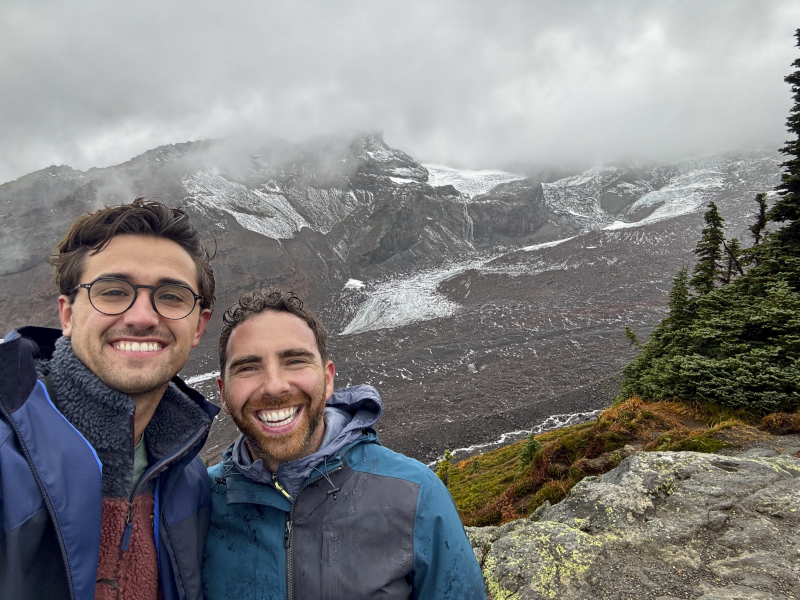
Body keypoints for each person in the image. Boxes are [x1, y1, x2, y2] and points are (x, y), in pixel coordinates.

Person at [202, 289, 487, 600]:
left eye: (295, 361)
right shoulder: (197, 501)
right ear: (223, 393)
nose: (274, 385)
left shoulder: (416, 496)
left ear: (328, 379)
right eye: (248, 367)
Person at [0, 198, 219, 600]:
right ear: (68, 315)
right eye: (114, 292)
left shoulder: (190, 480)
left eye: (171, 296)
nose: (142, 316)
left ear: (199, 324)